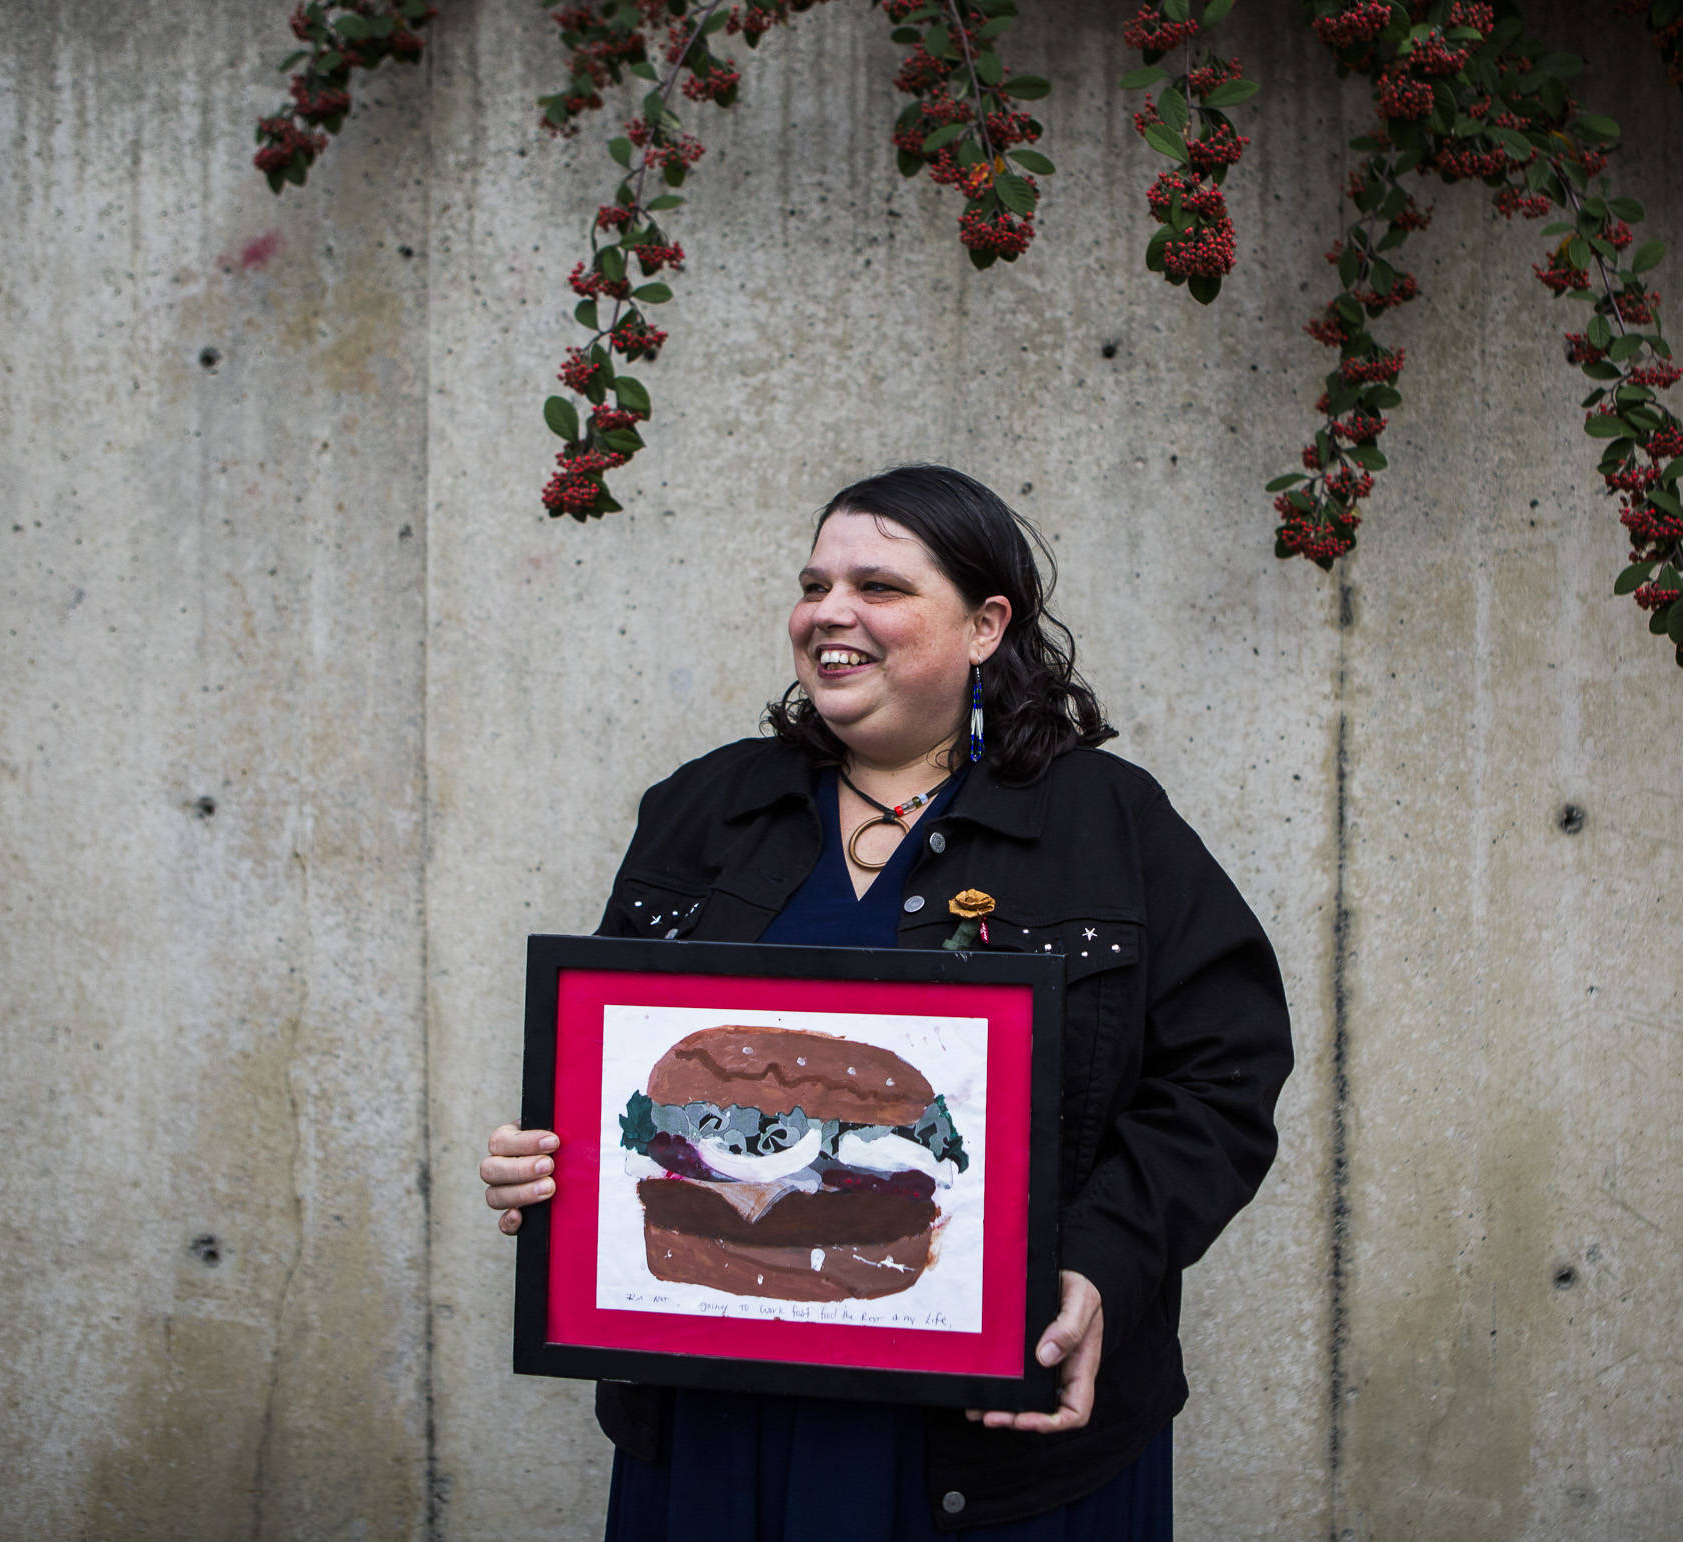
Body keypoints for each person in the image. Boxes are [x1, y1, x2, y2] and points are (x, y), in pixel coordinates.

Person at [481, 464, 1293, 1538]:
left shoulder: (1110, 823)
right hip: (724, 1413)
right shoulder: (703, 808)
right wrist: (554, 1166)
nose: (829, 613)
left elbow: (1219, 1082)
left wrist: (1103, 1260)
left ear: (984, 624)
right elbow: (625, 1076)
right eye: (814, 584)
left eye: (879, 586)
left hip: (986, 1446)